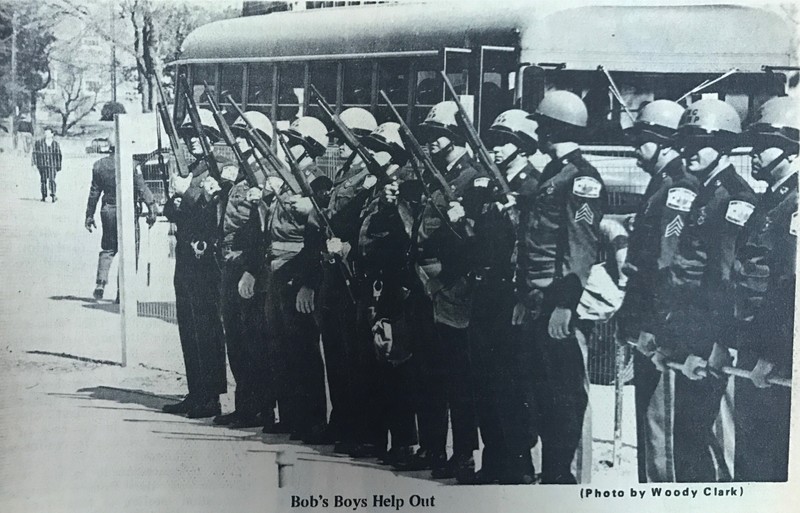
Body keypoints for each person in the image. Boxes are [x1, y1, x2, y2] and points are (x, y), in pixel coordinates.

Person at [651, 98, 756, 482]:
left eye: (698, 143)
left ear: (723, 145)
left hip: (710, 341)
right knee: (688, 442)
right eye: (685, 143)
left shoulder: (734, 196)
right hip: (691, 334)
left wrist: (717, 343)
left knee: (705, 443)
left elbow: (726, 278)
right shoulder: (702, 189)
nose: (687, 151)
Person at [514, 90, 607, 484]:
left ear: (555, 127)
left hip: (559, 302)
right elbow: (533, 239)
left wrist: (566, 304)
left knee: (567, 396)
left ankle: (565, 480)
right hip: (538, 299)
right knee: (543, 393)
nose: (537, 130)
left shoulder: (581, 177)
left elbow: (581, 246)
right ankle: (551, 473)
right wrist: (524, 296)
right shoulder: (552, 171)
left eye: (541, 124)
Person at [613, 99, 698, 482]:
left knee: (659, 427)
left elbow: (666, 266)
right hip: (644, 321)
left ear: (665, 142)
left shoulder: (678, 187)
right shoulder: (659, 184)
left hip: (660, 327)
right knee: (649, 425)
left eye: (642, 140)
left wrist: (652, 327)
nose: (635, 148)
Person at [410, 100, 487, 481]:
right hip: (430, 284)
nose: (429, 144)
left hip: (452, 288)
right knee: (432, 373)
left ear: (455, 135)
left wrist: (442, 278)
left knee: (458, 377)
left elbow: (466, 241)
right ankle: (434, 446)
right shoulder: (439, 175)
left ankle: (464, 452)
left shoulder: (471, 178)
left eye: (436, 136)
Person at [466, 109, 541, 484]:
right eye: (492, 142)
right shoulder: (492, 187)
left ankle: (518, 463)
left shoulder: (530, 188)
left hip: (509, 293)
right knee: (484, 381)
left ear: (523, 147)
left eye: (503, 142)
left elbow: (530, 245)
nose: (494, 149)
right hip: (485, 291)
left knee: (510, 382)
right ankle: (494, 459)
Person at [728, 96, 798, 482]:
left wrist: (773, 355)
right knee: (750, 457)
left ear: (790, 148)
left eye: (763, 145)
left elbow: (790, 289)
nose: (753, 155)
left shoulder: (794, 202)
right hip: (754, 343)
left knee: (769, 462)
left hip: (775, 352)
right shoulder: (770, 200)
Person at [308, 108, 380, 454]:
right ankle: (343, 419)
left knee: (356, 354)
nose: (334, 144)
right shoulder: (346, 172)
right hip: (333, 271)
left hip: (350, 271)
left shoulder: (369, 174)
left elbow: (358, 220)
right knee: (336, 350)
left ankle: (361, 425)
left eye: (341, 138)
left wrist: (347, 244)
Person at [261, 116, 330, 443]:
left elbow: (318, 240)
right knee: (278, 345)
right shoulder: (283, 179)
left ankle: (313, 419)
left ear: (310, 148)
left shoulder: (315, 184)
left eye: (296, 143)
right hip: (276, 268)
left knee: (302, 348)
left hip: (296, 268)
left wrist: (308, 282)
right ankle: (290, 415)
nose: (288, 148)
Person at [161, 108, 232, 419]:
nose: (191, 141)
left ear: (211, 139)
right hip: (187, 258)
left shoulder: (219, 172)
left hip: (207, 260)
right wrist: (174, 201)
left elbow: (216, 214)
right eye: (188, 136)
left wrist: (185, 192)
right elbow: (175, 211)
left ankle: (210, 397)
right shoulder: (189, 171)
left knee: (206, 326)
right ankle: (196, 391)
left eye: (197, 136)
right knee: (188, 326)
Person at [213, 111, 276, 429]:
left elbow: (264, 231)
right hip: (230, 264)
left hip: (248, 269)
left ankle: (261, 407)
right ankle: (245, 405)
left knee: (254, 341)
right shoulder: (239, 176)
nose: (236, 142)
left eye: (243, 137)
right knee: (236, 340)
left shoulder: (265, 177)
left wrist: (252, 270)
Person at [85, 146, 158, 300]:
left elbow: (94, 192)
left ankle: (100, 283)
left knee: (108, 248)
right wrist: (152, 208)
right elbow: (142, 188)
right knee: (130, 251)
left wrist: (89, 215)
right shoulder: (132, 165)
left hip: (108, 211)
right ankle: (121, 293)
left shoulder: (99, 165)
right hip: (128, 211)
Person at [32, 128, 62, 202]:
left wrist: (58, 166)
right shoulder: (39, 143)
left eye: (48, 133)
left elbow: (59, 155)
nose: (46, 134)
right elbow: (35, 153)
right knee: (43, 181)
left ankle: (53, 195)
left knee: (52, 180)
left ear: (52, 134)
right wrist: (34, 163)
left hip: (52, 165)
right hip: (42, 165)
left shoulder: (55, 144)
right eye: (45, 133)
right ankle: (44, 196)